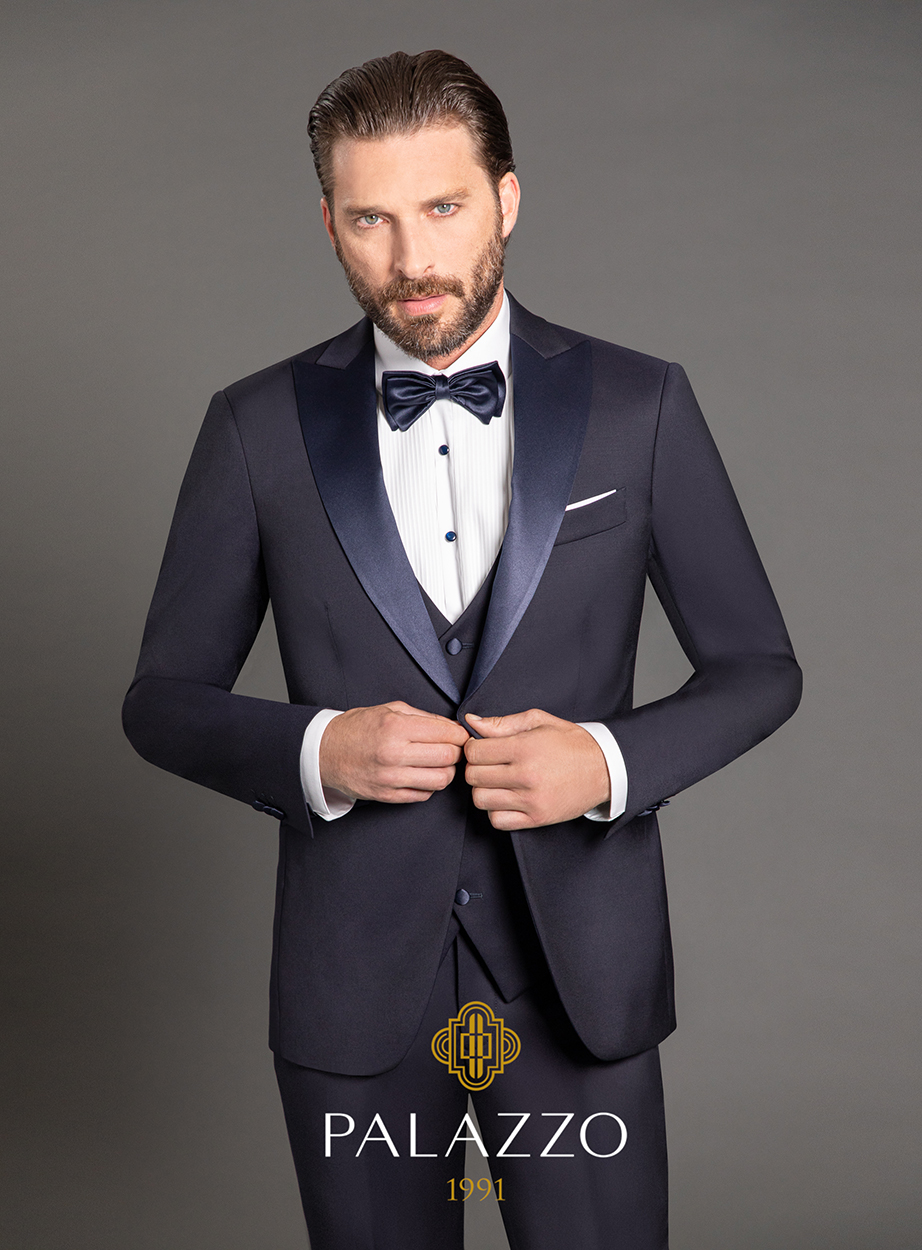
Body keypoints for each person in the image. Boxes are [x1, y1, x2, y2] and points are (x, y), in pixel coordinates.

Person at [123, 49, 802, 1250]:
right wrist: (322, 749)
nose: (411, 258)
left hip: (579, 978)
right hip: (351, 987)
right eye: (370, 219)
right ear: (328, 223)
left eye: (441, 207)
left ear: (506, 198)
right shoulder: (254, 426)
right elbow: (161, 699)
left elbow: (759, 665)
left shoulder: (639, 403)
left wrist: (607, 761)